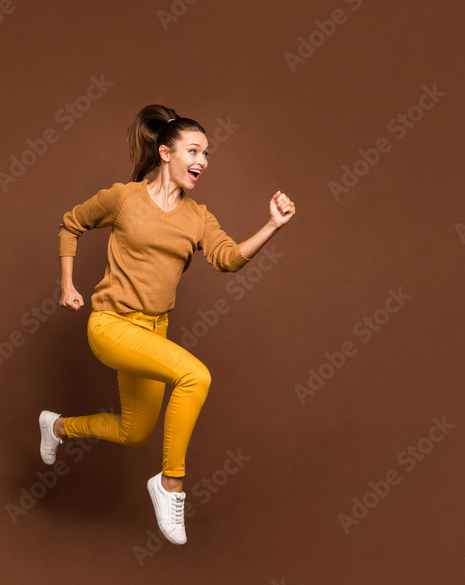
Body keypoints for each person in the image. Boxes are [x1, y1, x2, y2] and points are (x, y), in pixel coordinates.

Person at [38, 104, 295, 545]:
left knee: (133, 431)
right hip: (111, 326)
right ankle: (170, 484)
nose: (203, 161)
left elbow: (229, 259)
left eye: (207, 154)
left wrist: (272, 225)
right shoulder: (124, 198)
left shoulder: (198, 217)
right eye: (194, 151)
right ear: (164, 153)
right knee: (195, 376)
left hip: (153, 332)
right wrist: (66, 285)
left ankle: (56, 427)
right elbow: (70, 225)